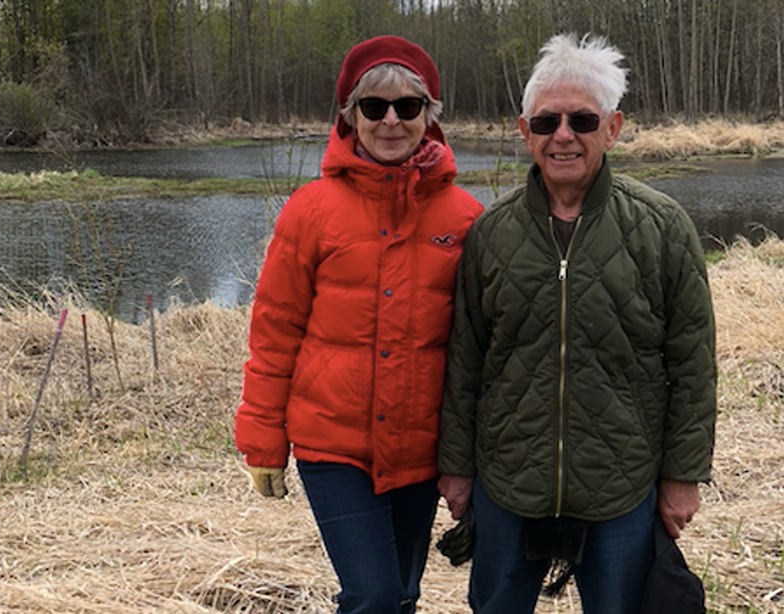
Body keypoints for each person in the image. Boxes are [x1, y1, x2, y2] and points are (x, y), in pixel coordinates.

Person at [437, 33, 716, 614]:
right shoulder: (492, 234)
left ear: (613, 128)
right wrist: (457, 468)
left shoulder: (662, 228)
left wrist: (682, 476)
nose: (563, 135)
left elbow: (692, 365)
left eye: (582, 120)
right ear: (524, 132)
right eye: (546, 122)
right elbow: (465, 362)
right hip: (509, 482)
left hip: (622, 485)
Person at [235, 35, 483, 614]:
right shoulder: (310, 211)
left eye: (408, 106)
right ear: (350, 116)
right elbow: (275, 332)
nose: (391, 120)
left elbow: (482, 348)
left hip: (423, 446)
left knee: (402, 594)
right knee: (371, 596)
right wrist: (263, 439)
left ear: (430, 117)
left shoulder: (466, 218)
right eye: (374, 107)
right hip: (332, 445)